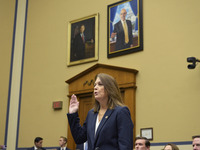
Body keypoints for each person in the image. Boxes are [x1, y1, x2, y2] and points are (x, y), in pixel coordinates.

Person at [67, 73, 134, 150]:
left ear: (110, 88)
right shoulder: (91, 114)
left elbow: (125, 146)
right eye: (94, 85)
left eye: (100, 84)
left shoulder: (121, 112)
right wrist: (73, 113)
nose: (95, 87)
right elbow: (79, 138)